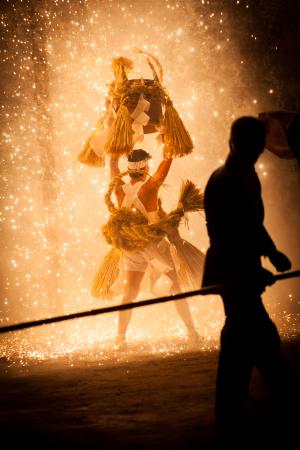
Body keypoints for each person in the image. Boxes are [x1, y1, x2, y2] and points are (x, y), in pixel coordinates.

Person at [201, 116, 297, 432]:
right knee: (260, 339)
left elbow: (253, 225)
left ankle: (231, 411)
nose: (256, 153)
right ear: (235, 143)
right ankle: (281, 404)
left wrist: (270, 253)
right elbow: (232, 233)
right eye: (252, 146)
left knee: (242, 340)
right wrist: (254, 268)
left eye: (258, 147)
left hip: (238, 268)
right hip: (233, 268)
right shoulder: (228, 179)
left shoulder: (242, 174)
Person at [110, 148, 202, 350]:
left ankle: (120, 339)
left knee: (129, 294)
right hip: (154, 246)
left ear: (129, 170)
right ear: (145, 168)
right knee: (175, 289)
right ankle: (192, 332)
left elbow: (113, 167)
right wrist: (170, 148)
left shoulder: (118, 189)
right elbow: (165, 167)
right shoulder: (149, 188)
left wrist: (114, 154)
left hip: (132, 248)